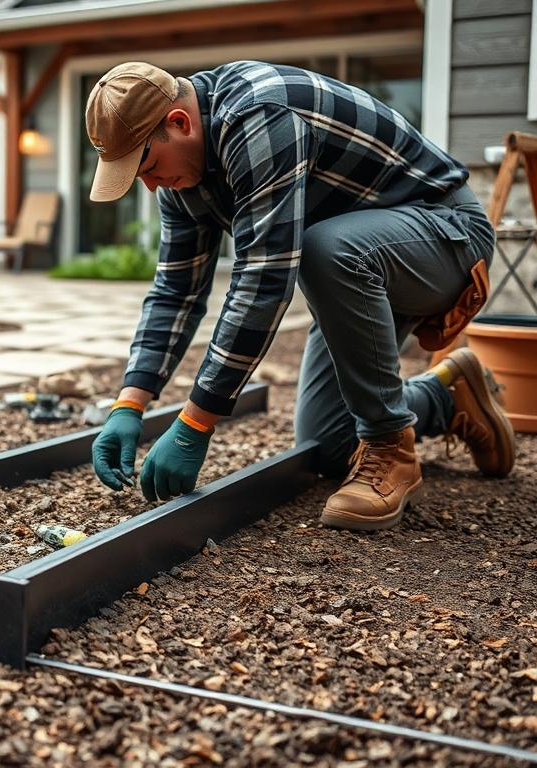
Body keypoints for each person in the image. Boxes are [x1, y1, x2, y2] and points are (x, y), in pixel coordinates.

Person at [87, 60, 516, 531]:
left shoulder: (259, 114)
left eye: (146, 166)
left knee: (322, 250)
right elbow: (176, 290)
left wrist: (195, 424)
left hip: (444, 235)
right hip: (359, 271)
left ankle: (392, 447)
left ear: (179, 123)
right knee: (328, 443)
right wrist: (130, 402)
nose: (148, 185)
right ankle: (448, 396)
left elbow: (264, 279)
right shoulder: (183, 178)